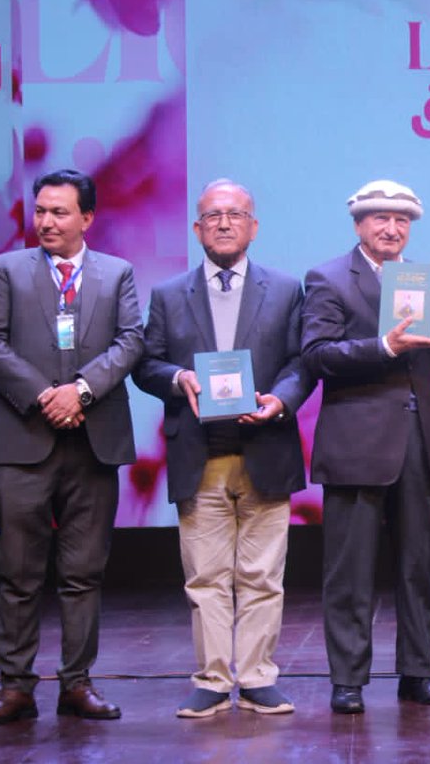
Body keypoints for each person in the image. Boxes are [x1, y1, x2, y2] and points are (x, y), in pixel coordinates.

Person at [133, 179, 313, 717]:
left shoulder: (285, 290)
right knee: (206, 577)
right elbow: (145, 363)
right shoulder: (168, 294)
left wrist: (279, 401)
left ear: (253, 226)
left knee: (262, 576)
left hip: (266, 446)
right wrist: (178, 378)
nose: (225, 223)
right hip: (199, 454)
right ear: (197, 228)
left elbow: (302, 362)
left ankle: (257, 676)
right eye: (213, 216)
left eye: (236, 214)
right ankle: (212, 679)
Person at [0, 169, 143, 725]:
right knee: (19, 574)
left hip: (93, 443)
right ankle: (15, 688)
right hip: (23, 440)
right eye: (41, 211)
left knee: (83, 573)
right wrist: (45, 394)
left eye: (59, 212)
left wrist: (83, 390)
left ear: (87, 218)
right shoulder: (8, 270)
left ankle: (77, 683)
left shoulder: (116, 273)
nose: (46, 221)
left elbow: (131, 342)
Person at [302, 179, 430, 713]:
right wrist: (383, 345)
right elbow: (316, 354)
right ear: (358, 225)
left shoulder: (420, 281)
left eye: (401, 221)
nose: (392, 229)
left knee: (419, 566)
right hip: (357, 443)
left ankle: (418, 672)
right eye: (380, 219)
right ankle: (348, 679)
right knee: (350, 571)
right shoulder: (328, 278)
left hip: (419, 443)